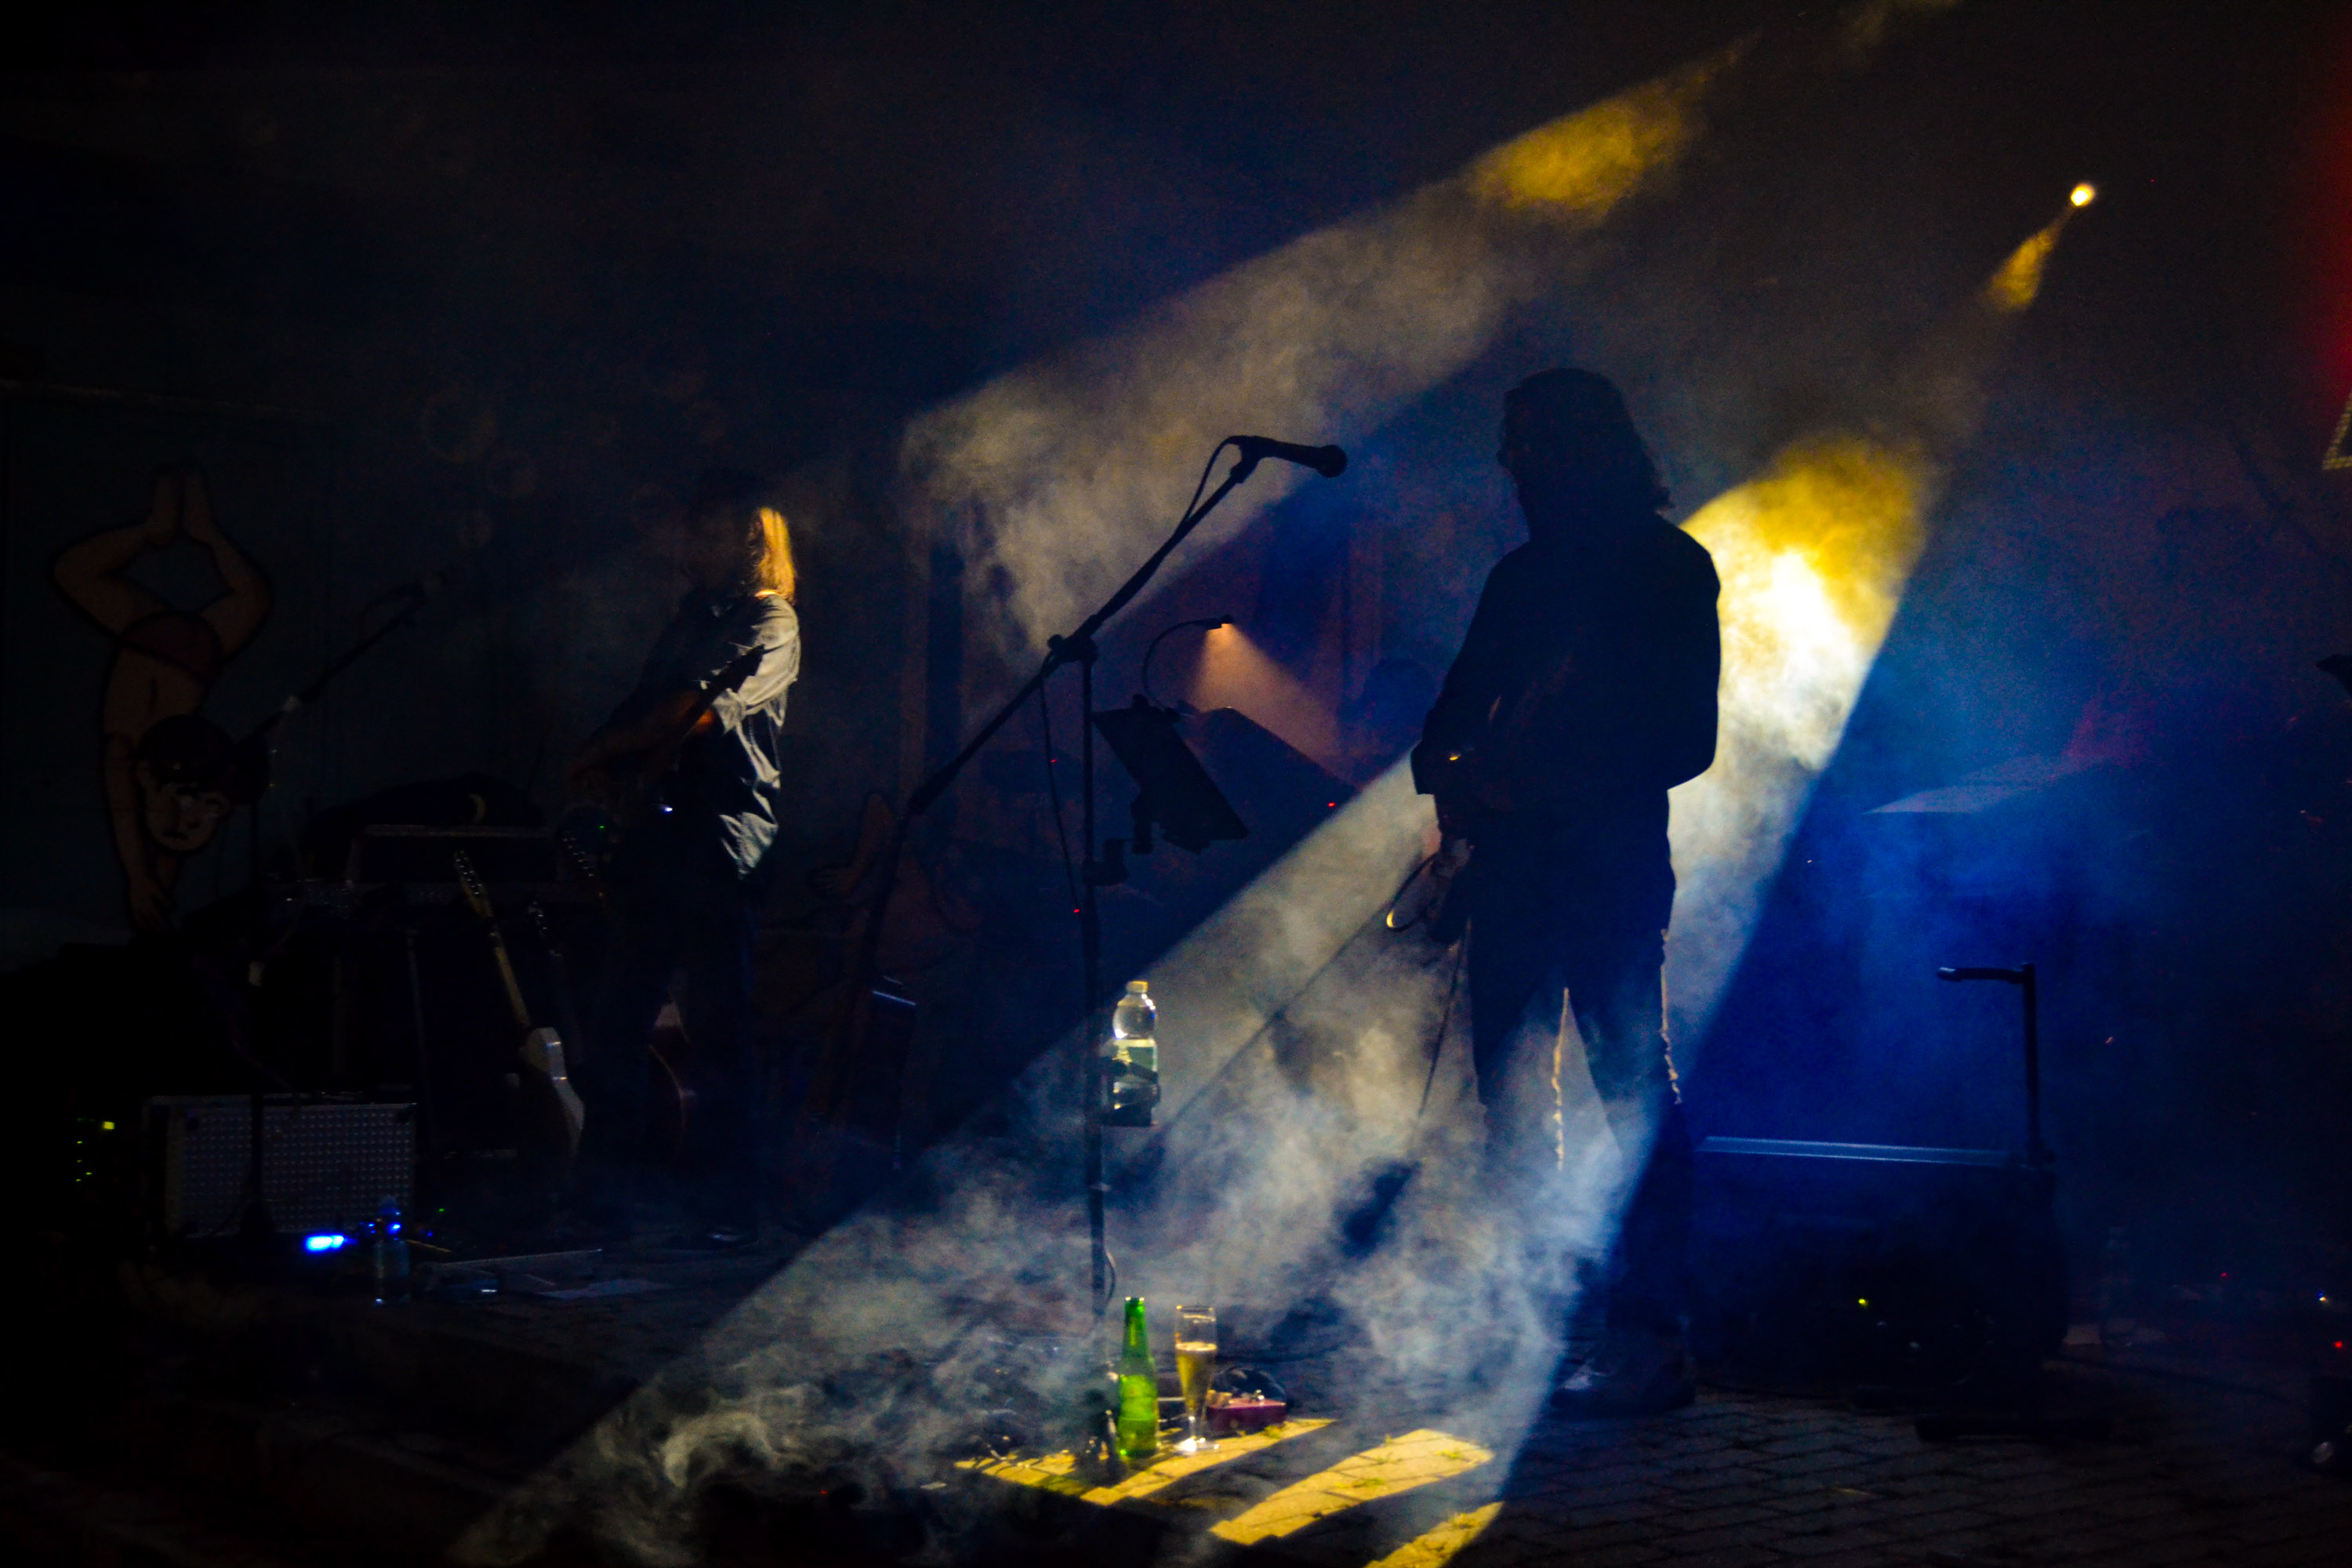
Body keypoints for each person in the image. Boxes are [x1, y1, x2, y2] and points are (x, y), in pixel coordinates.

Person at [1413, 368, 1719, 1413]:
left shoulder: (1668, 569)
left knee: (1632, 1087)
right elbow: (1449, 717)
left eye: (1535, 443)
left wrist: (1535, 778)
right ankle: (1531, 1321)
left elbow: (1687, 740)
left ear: (1588, 448)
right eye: (1517, 445)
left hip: (1607, 865)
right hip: (1517, 868)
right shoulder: (1524, 576)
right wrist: (1457, 774)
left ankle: (1649, 1337)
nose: (1518, 465)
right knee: (1510, 1094)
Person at [568, 469, 800, 1244]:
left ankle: (728, 1210)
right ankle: (603, 1204)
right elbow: (645, 703)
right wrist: (606, 757)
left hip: (722, 843)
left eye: (705, 530)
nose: (688, 545)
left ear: (748, 538)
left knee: (718, 1027)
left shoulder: (770, 620)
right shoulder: (690, 616)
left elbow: (692, 711)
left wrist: (605, 751)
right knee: (616, 1023)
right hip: (658, 840)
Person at [53, 463, 271, 932]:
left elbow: (140, 820)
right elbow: (170, 842)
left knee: (73, 571)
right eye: (194, 823)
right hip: (193, 651)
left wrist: (140, 878)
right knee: (252, 597)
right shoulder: (183, 767)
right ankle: (199, 532)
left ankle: (159, 530)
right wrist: (148, 877)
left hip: (149, 635)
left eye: (171, 821)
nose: (181, 814)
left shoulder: (128, 757)